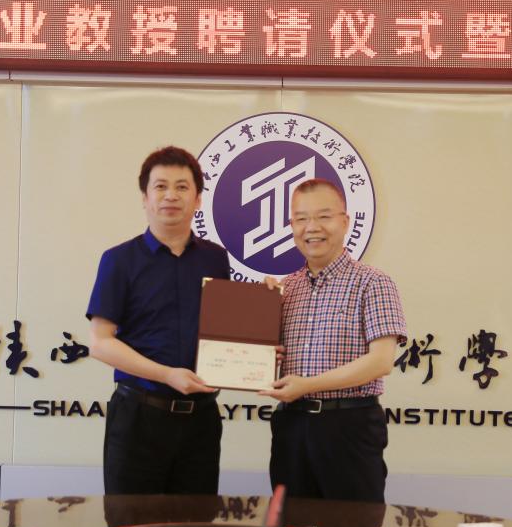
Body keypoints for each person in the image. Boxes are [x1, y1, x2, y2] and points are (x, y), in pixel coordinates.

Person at [87, 146, 230, 495]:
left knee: (196, 521)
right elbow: (100, 342)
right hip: (138, 417)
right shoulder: (119, 260)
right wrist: (166, 374)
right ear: (145, 198)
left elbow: (226, 333)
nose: (171, 196)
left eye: (182, 187)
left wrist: (262, 346)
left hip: (201, 420)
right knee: (132, 522)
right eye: (160, 186)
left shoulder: (215, 259)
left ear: (197, 199)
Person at [260, 178, 407, 503]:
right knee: (292, 524)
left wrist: (308, 385)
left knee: (353, 525)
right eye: (301, 218)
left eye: (324, 216)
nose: (312, 227)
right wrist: (259, 313)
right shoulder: (286, 289)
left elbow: (381, 362)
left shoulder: (373, 283)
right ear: (291, 226)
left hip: (349, 426)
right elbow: (267, 358)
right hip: (291, 426)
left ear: (345, 221)